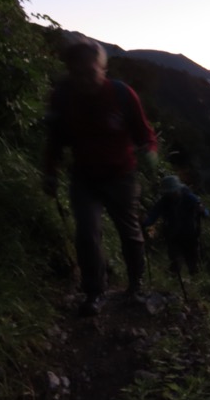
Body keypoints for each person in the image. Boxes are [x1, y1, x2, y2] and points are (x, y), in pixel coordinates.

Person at [42, 37, 158, 316]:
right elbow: (55, 140)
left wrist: (150, 153)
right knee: (87, 234)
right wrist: (50, 173)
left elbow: (144, 134)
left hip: (122, 176)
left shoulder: (122, 95)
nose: (84, 80)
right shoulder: (62, 97)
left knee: (130, 233)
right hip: (84, 177)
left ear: (103, 69)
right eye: (77, 73)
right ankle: (94, 292)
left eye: (90, 73)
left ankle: (135, 284)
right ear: (69, 71)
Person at [143, 175, 209, 277]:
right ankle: (175, 283)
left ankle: (196, 282)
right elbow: (153, 216)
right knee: (175, 261)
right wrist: (144, 222)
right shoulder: (164, 201)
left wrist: (202, 211)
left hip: (190, 236)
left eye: (173, 192)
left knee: (193, 263)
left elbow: (205, 213)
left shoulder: (189, 198)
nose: (171, 194)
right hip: (173, 236)